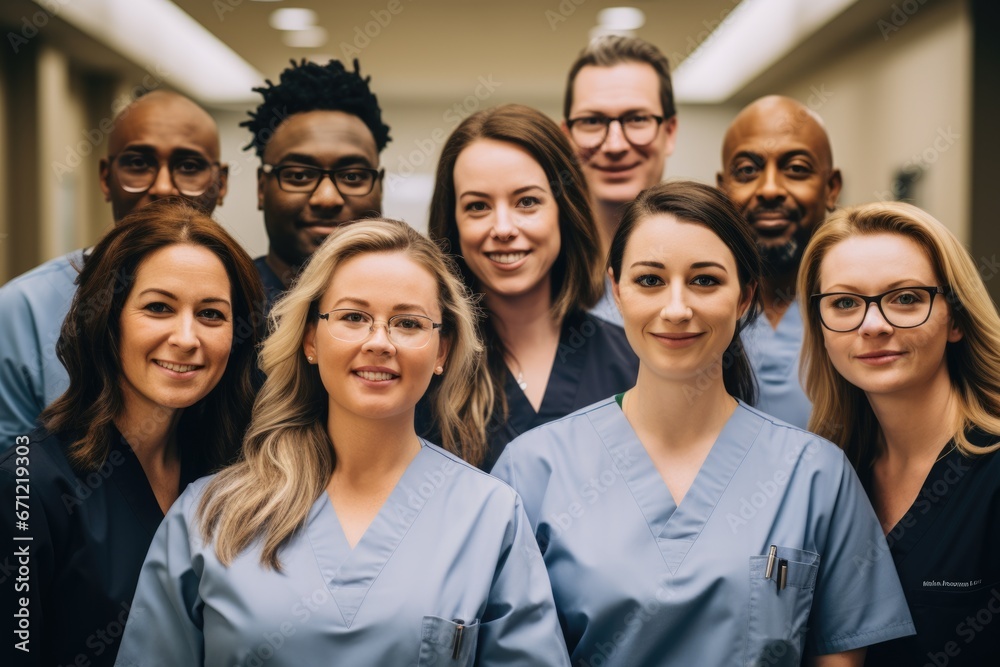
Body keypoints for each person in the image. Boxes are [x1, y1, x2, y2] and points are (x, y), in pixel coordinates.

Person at [493, 181, 915, 666]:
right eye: (650, 280)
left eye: (705, 281)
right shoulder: (533, 469)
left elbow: (840, 655)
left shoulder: (815, 475)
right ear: (617, 290)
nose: (676, 309)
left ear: (744, 297)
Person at [114, 219, 571, 666]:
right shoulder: (208, 514)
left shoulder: (490, 517)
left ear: (442, 351)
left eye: (408, 323)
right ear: (311, 338)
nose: (379, 342)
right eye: (353, 317)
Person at [0, 199, 263, 667]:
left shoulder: (238, 471)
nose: (187, 337)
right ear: (108, 319)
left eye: (211, 315)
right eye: (159, 307)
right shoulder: (26, 482)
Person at [798, 201, 1000, 666]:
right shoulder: (828, 476)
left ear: (956, 319)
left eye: (905, 298)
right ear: (821, 328)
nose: (873, 325)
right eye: (845, 303)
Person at [0, 90, 230, 449]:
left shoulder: (246, 298)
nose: (165, 187)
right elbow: (15, 476)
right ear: (106, 178)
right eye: (139, 164)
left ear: (222, 182)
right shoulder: (22, 308)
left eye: (189, 167)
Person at [427, 104, 638, 470]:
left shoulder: (633, 363)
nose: (504, 228)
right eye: (477, 206)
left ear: (563, 210)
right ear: (453, 225)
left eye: (527, 202)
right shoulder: (428, 368)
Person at [717, 95, 842, 428]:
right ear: (722, 189)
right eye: (746, 170)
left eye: (796, 169)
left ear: (831, 188)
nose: (770, 189)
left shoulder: (864, 310)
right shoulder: (695, 307)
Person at [242, 58, 390, 309]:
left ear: (380, 187)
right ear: (261, 188)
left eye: (352, 176)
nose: (327, 198)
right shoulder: (226, 305)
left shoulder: (416, 305)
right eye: (299, 175)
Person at [562, 35, 678, 324]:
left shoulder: (715, 267)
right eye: (592, 121)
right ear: (567, 136)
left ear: (670, 132)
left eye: (637, 118)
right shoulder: (536, 275)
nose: (615, 146)